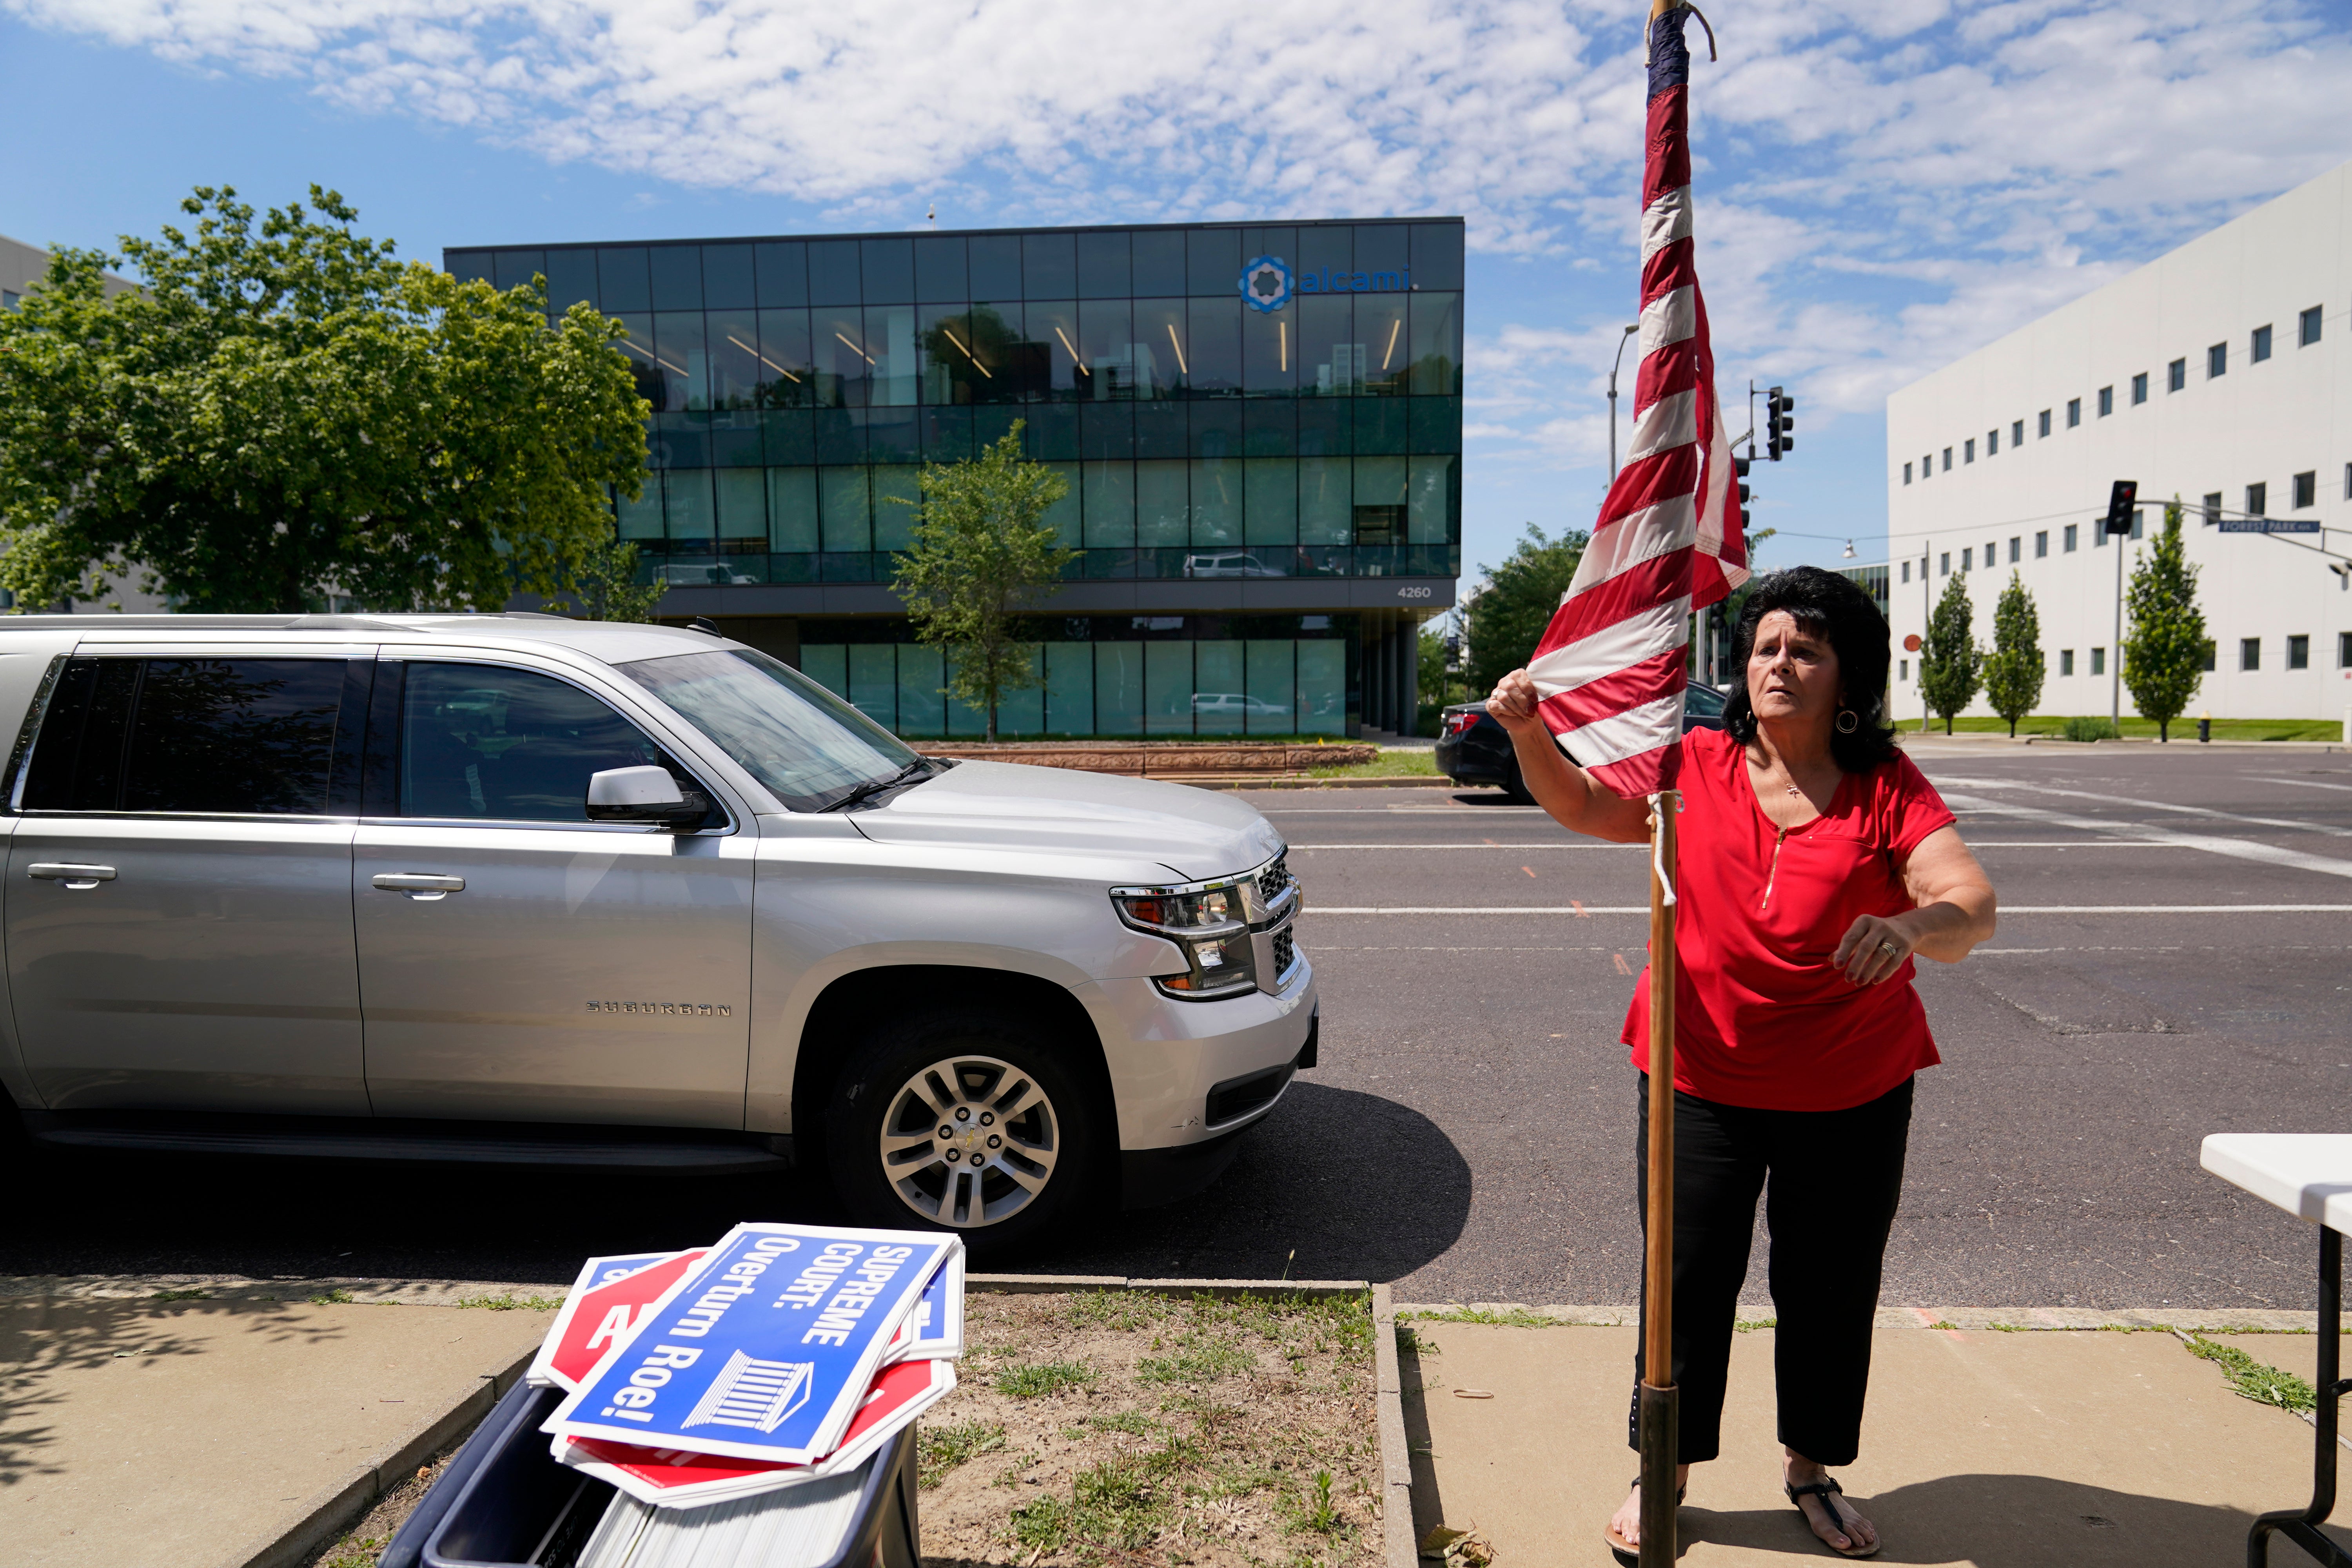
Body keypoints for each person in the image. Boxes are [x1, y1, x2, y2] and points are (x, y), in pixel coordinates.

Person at [1485, 566, 1996, 1563]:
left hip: (1849, 1087)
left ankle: (1810, 1468)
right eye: (1765, 646)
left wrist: (1909, 923)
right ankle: (1664, 1465)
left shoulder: (1888, 788)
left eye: (1805, 648)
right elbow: (1590, 806)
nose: (1779, 662)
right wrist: (1527, 733)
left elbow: (1971, 902)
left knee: (1830, 1282)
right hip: (1698, 1078)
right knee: (1683, 1278)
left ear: (1847, 676)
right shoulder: (1696, 763)